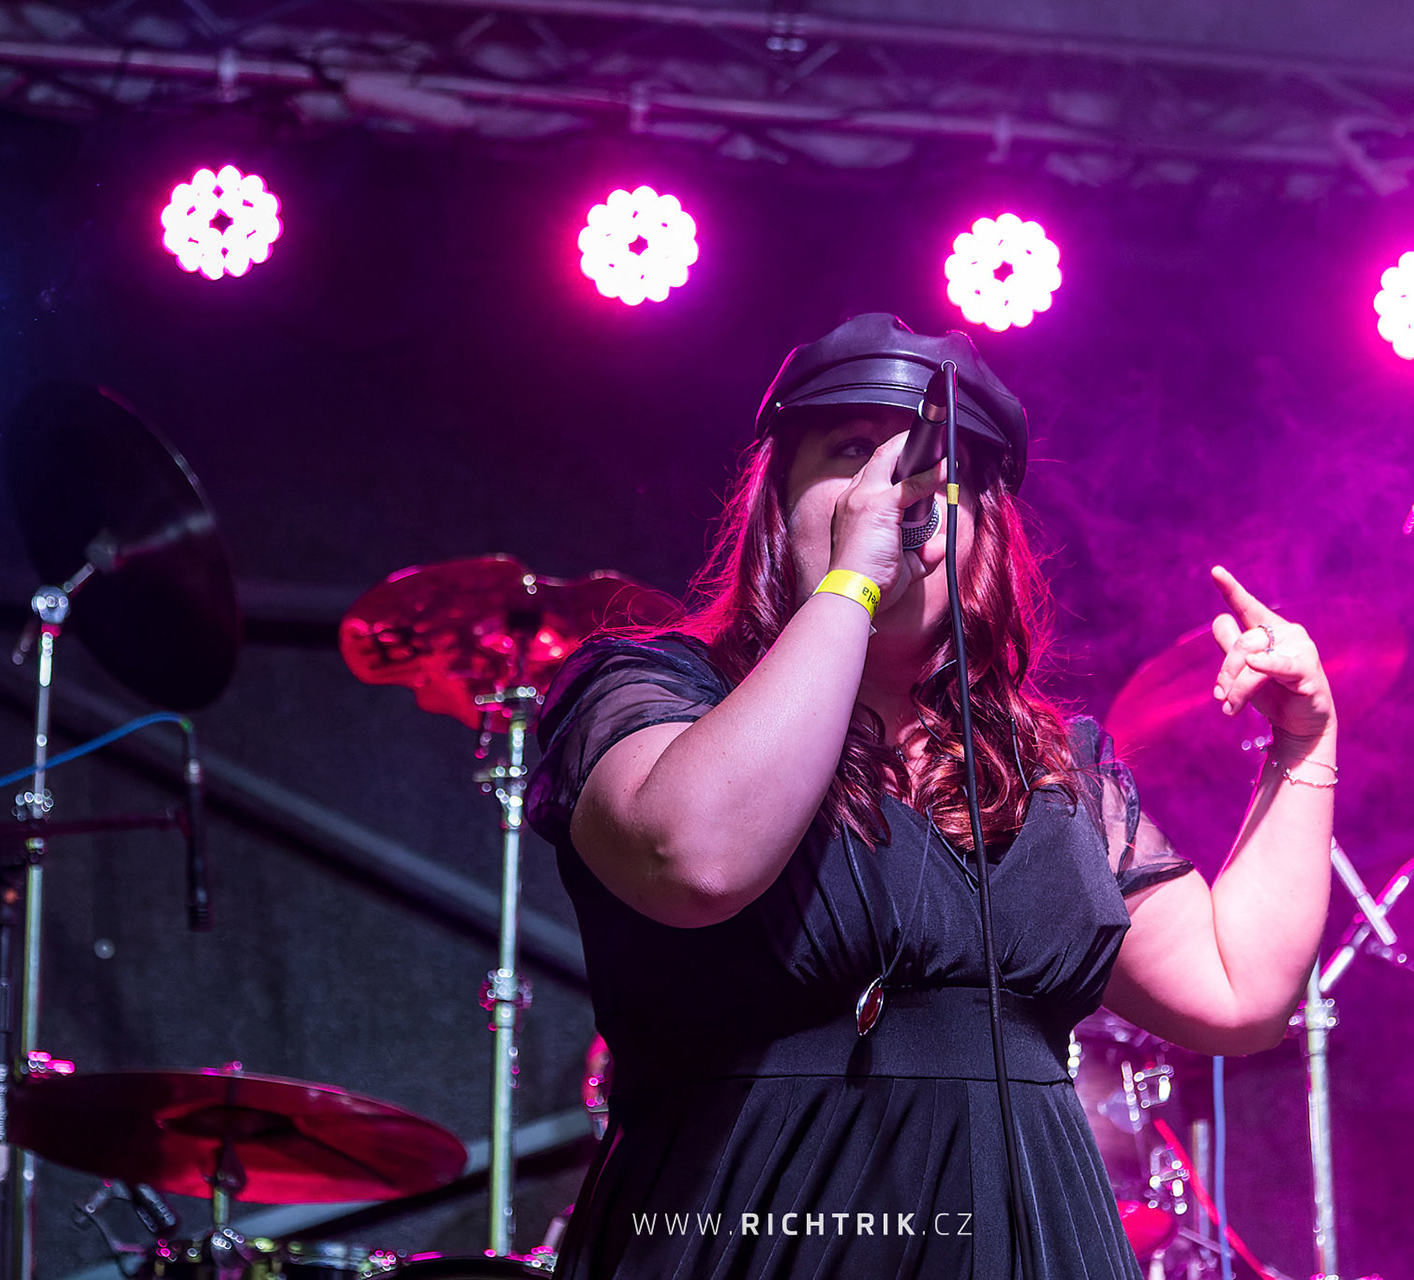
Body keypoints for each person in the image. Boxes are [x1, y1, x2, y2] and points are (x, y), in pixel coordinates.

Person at [526, 313, 1336, 1279]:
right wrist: (850, 586)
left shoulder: (1049, 768)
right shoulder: (653, 690)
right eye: (853, 450)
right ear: (777, 501)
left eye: (938, 470)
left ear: (985, 534)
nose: (899, 489)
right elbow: (694, 858)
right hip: (749, 1237)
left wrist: (1304, 742)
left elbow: (1239, 993)